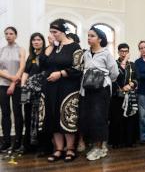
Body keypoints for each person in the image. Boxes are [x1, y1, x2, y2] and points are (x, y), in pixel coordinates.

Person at [40, 19, 83, 162]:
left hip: (68, 88)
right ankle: (58, 149)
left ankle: (70, 149)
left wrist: (61, 73)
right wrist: (51, 45)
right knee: (53, 118)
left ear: (63, 32)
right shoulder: (53, 46)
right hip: (50, 88)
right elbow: (42, 63)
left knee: (66, 117)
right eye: (51, 32)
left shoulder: (74, 47)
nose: (52, 34)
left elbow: (78, 68)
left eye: (55, 32)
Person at [79, 26, 119, 161]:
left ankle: (99, 148)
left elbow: (115, 73)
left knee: (99, 118)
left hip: (101, 91)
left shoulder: (106, 54)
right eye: (88, 35)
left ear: (100, 39)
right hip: (88, 90)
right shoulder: (86, 54)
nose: (89, 38)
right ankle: (99, 146)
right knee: (89, 118)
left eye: (92, 36)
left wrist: (104, 80)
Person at [21, 32, 52, 155]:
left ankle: (43, 147)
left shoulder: (45, 55)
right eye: (33, 40)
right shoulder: (31, 56)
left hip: (41, 92)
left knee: (41, 119)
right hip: (29, 92)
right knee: (28, 118)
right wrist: (23, 85)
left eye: (38, 39)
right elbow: (26, 72)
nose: (36, 42)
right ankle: (29, 146)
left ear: (43, 41)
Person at [0, 27, 26, 152]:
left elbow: (22, 67)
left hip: (17, 85)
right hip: (3, 84)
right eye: (6, 34)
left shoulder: (21, 49)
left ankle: (17, 141)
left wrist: (13, 83)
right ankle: (5, 141)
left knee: (17, 113)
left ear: (16, 35)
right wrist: (10, 77)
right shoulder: (2, 50)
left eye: (11, 34)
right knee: (5, 113)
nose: (8, 36)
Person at [109, 43, 139, 148]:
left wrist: (131, 84)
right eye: (122, 51)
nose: (124, 53)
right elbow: (115, 77)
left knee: (129, 118)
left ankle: (129, 141)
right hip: (117, 95)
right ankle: (116, 142)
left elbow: (136, 78)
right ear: (118, 52)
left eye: (126, 51)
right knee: (117, 119)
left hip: (129, 95)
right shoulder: (114, 63)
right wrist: (121, 88)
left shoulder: (133, 64)